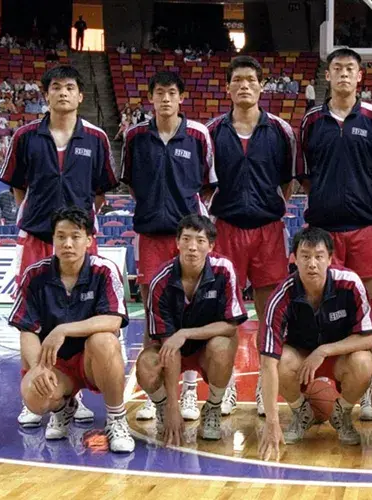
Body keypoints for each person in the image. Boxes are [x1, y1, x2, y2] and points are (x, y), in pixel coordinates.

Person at [0, 65, 115, 427]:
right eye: (56, 87)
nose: (63, 93)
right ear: (46, 94)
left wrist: (75, 229)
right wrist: (42, 219)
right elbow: (18, 188)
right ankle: (36, 384)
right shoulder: (25, 137)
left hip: (78, 240)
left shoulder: (96, 138)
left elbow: (99, 193)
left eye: (69, 87)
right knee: (32, 320)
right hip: (37, 238)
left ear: (80, 95)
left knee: (80, 316)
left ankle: (71, 395)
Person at [298, 48, 372, 421]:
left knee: (366, 306)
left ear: (360, 76)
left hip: (365, 225)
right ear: (327, 75)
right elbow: (305, 176)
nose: (343, 74)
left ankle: (365, 387)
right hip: (323, 231)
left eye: (350, 69)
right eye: (336, 68)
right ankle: (317, 383)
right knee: (320, 306)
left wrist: (360, 199)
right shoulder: (311, 121)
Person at [120, 70, 214, 423]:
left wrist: (185, 215)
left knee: (191, 312)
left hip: (188, 235)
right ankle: (154, 390)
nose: (165, 99)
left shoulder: (199, 135)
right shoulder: (135, 137)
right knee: (152, 315)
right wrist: (154, 209)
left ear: (182, 97)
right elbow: (132, 184)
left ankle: (189, 391)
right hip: (150, 236)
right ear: (151, 98)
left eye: (172, 92)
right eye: (159, 92)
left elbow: (208, 185)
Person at [207, 56, 297, 418]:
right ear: (228, 87)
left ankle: (264, 386)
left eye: (250, 79)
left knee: (269, 314)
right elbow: (204, 183)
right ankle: (225, 385)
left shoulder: (280, 131)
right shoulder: (212, 131)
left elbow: (287, 183)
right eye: (237, 80)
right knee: (225, 314)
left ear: (261, 86)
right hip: (226, 228)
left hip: (268, 231)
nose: (244, 85)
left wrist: (264, 205)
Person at [11, 206, 133, 453]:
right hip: (56, 364)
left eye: (75, 236)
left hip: (92, 361)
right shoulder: (35, 275)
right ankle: (63, 408)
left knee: (105, 340)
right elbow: (27, 329)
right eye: (61, 236)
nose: (67, 243)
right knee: (33, 395)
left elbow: (113, 320)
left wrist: (63, 330)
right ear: (53, 239)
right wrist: (37, 369)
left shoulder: (104, 270)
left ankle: (116, 419)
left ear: (89, 240)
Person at [257, 227, 372, 460]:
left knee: (364, 361)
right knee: (279, 359)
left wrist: (324, 350)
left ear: (330, 259)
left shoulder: (350, 283)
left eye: (319, 256)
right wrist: (272, 422)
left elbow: (369, 337)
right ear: (294, 259)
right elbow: (267, 363)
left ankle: (342, 413)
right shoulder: (281, 296)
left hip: (339, 356)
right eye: (305, 256)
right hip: (300, 358)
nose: (312, 263)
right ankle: (301, 411)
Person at [136, 215, 247, 443]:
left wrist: (186, 333)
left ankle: (213, 407)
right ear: (177, 243)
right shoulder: (161, 280)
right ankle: (162, 408)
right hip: (171, 349)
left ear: (211, 246)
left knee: (222, 346)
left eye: (200, 240)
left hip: (206, 349)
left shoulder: (224, 270)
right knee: (146, 364)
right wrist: (172, 406)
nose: (192, 247)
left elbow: (230, 325)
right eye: (186, 239)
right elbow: (169, 346)